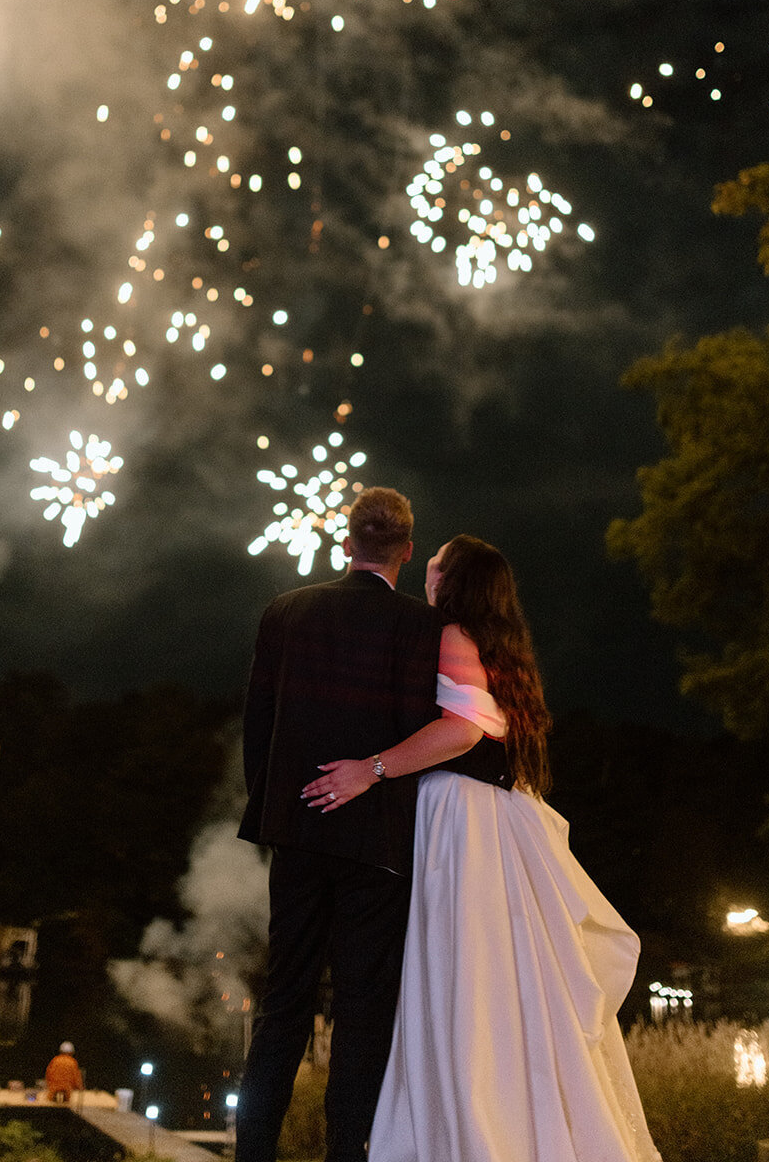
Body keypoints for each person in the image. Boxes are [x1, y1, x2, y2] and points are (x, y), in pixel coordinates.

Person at [302, 535, 662, 1162]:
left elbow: (463, 729)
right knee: (504, 981)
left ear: (452, 579)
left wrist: (373, 768)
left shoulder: (451, 635)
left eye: (437, 563)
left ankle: (468, 1132)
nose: (428, 571)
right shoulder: (502, 647)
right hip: (495, 820)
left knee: (461, 973)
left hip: (462, 824)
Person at [236, 487, 474, 1162]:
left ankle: (252, 1154)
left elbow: (259, 725)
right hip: (379, 844)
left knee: (283, 1004)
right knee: (362, 1010)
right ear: (405, 550)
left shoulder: (284, 612)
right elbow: (454, 730)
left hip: (299, 831)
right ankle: (346, 1154)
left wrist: (278, 809)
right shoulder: (426, 629)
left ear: (345, 544)